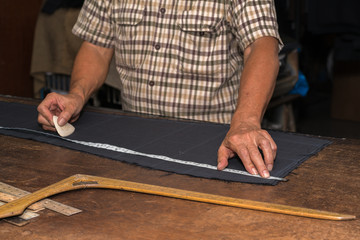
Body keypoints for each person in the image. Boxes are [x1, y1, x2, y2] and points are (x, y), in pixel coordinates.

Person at [37, 0, 283, 178]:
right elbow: (97, 47)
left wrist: (246, 122)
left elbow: (261, 46)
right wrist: (77, 95)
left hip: (215, 147)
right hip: (133, 145)